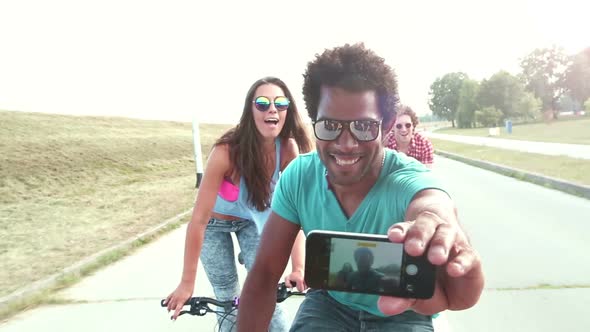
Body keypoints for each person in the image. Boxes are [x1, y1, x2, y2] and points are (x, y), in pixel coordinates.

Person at [236, 44, 484, 331]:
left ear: (388, 124)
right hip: (329, 304)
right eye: (329, 125)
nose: (346, 143)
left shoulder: (408, 179)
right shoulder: (299, 177)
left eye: (364, 126)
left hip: (404, 309)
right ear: (313, 121)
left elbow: (432, 203)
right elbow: (264, 274)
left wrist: (438, 223)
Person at [164, 76, 313, 331]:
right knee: (226, 295)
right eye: (262, 103)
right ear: (250, 110)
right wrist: (187, 283)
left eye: (281, 103)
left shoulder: (287, 149)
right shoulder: (226, 152)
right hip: (213, 224)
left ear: (288, 110)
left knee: (265, 286)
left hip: (251, 223)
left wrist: (298, 268)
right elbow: (198, 220)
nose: (272, 109)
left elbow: (294, 214)